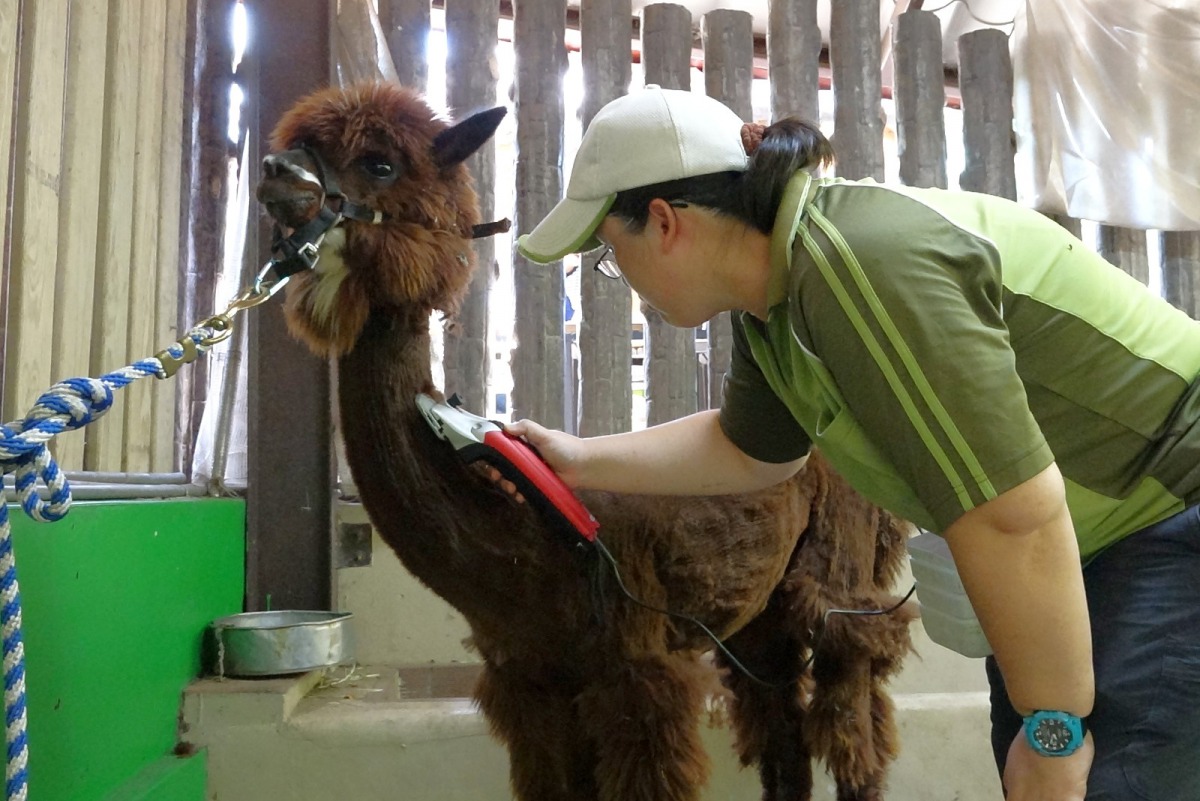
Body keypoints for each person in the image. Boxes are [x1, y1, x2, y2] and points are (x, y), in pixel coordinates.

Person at [508, 85, 1200, 801]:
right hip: (1092, 547)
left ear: (662, 222)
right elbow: (750, 450)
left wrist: (1055, 728)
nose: (621, 282)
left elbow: (1011, 513)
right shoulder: (776, 304)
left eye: (610, 256)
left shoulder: (852, 264)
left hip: (1171, 509)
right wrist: (575, 458)